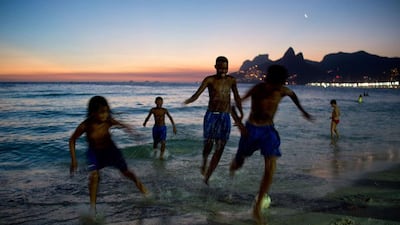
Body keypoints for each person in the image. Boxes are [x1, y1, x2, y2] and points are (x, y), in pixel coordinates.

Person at [229, 65, 313, 224]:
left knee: (270, 168)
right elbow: (233, 105)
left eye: (280, 85)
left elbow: (293, 94)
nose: (277, 88)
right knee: (238, 163)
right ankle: (233, 171)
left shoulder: (282, 91)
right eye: (275, 84)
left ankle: (257, 207)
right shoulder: (258, 89)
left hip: (268, 132)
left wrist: (303, 111)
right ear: (269, 80)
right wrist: (239, 124)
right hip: (251, 130)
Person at [69, 96, 148, 214]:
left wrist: (133, 133)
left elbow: (123, 125)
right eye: (101, 113)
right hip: (94, 152)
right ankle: (92, 208)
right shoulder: (85, 125)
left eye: (106, 112)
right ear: (93, 112)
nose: (105, 115)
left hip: (111, 150)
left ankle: (140, 186)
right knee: (94, 177)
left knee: (126, 172)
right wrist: (74, 160)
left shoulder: (108, 121)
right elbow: (72, 140)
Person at [184, 56, 243, 185]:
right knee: (209, 144)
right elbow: (197, 94)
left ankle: (207, 177)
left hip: (225, 116)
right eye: (221, 67)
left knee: (220, 147)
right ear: (215, 67)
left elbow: (237, 97)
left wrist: (241, 113)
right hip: (212, 115)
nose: (223, 70)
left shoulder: (231, 80)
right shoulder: (209, 80)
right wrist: (187, 101)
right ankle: (204, 160)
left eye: (225, 68)